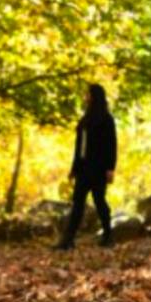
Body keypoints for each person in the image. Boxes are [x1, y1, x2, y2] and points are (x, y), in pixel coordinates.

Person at [55, 83, 116, 250]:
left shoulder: (107, 119)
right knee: (77, 204)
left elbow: (111, 145)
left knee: (99, 201)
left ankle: (108, 235)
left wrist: (110, 168)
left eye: (88, 94)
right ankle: (68, 240)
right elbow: (79, 147)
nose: (85, 97)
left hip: (99, 168)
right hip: (83, 168)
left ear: (94, 96)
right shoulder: (85, 119)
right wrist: (74, 168)